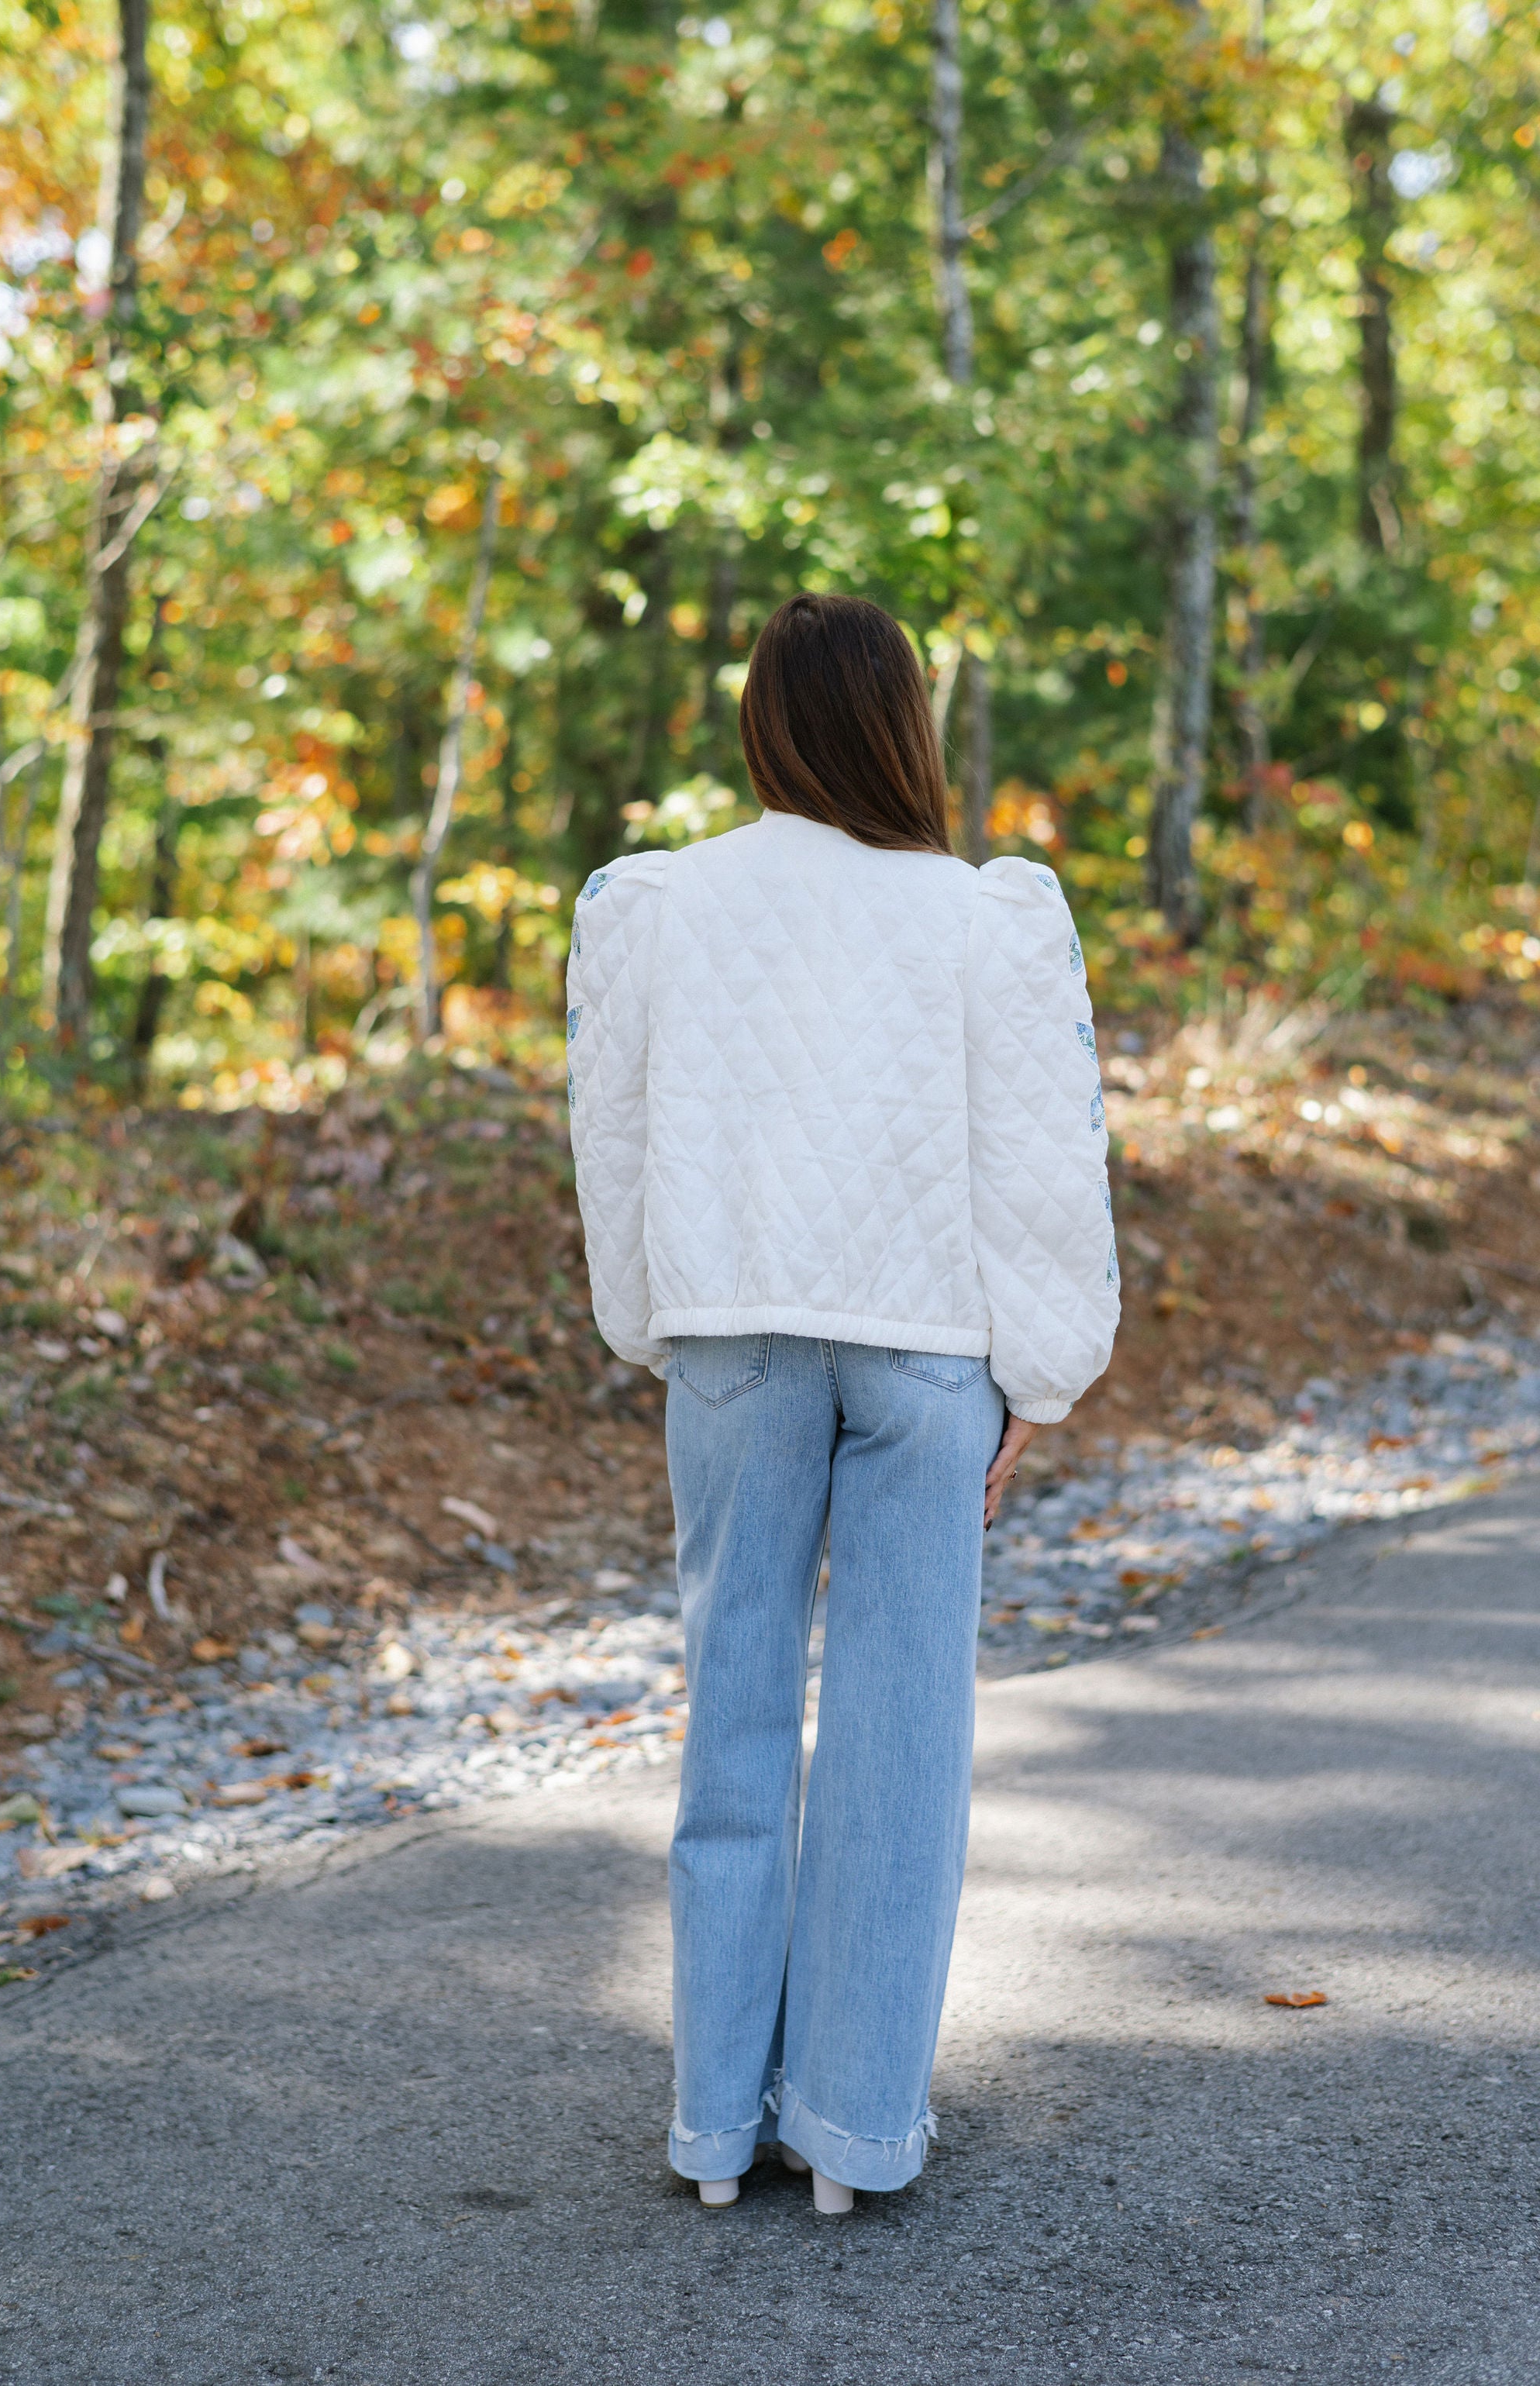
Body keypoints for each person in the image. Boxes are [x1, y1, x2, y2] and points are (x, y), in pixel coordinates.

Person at [567, 592, 1119, 2216]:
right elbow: (1039, 1159)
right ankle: (858, 2130)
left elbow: (615, 1136)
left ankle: (715, 2127)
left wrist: (647, 1323)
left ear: (761, 725)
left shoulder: (654, 905)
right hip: (923, 1348)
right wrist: (1045, 1373)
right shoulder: (988, 916)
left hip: (733, 1333)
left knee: (730, 1717)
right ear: (904, 728)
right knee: (899, 1735)